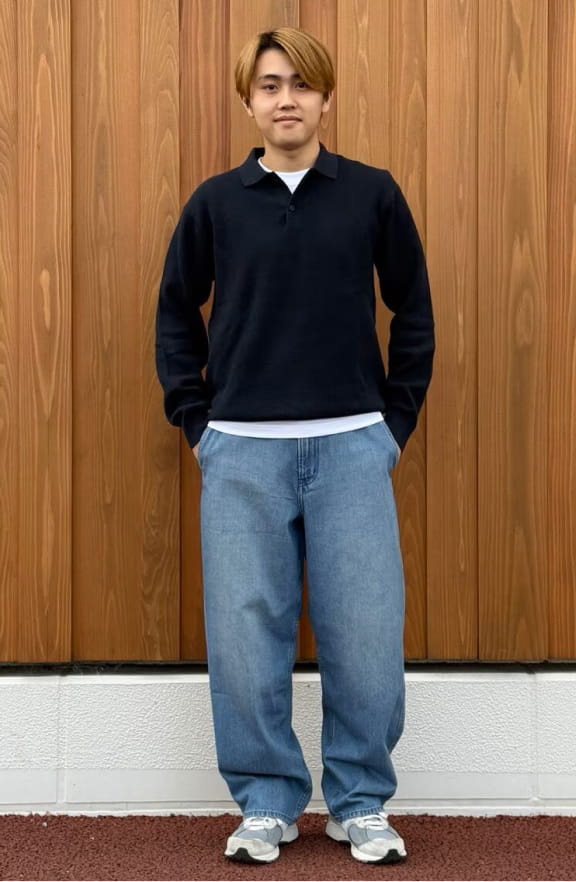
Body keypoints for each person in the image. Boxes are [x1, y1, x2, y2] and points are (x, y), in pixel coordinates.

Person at [155, 26, 434, 866]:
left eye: (302, 84)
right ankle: (267, 802)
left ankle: (360, 802)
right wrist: (197, 422)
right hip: (241, 451)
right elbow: (175, 312)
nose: (287, 99)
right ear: (249, 100)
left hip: (352, 447)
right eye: (271, 85)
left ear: (326, 97)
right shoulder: (215, 202)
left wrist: (393, 424)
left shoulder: (372, 194)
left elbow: (413, 310)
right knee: (246, 636)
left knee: (367, 634)